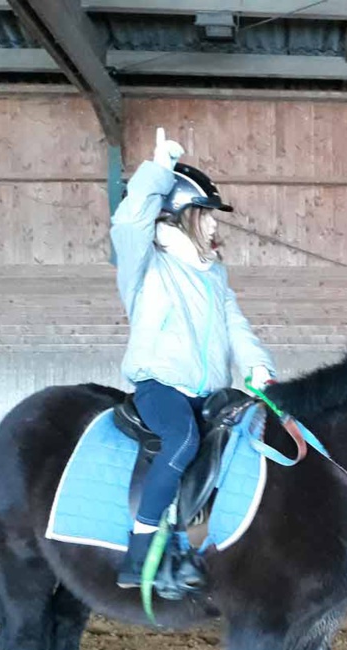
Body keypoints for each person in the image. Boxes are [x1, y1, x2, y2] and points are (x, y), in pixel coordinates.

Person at [111, 127, 276, 593]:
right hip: (160, 383)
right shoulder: (145, 264)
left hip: (208, 387)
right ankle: (140, 548)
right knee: (181, 441)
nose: (215, 225)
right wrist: (157, 172)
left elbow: (235, 325)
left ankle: (202, 544)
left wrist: (256, 366)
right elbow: (128, 223)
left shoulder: (214, 275)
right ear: (181, 216)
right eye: (207, 216)